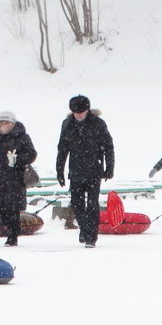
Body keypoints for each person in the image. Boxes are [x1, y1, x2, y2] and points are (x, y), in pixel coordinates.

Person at [56, 95, 115, 249]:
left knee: (92, 204)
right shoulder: (67, 124)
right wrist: (59, 170)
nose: (79, 114)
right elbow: (62, 149)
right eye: (76, 112)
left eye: (82, 111)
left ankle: (91, 236)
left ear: (88, 110)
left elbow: (108, 146)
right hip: (75, 170)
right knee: (77, 203)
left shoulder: (98, 123)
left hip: (94, 170)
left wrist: (110, 167)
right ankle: (84, 228)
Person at [0, 110, 38, 247]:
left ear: (13, 123)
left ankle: (13, 235)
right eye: (1, 123)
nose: (4, 125)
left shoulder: (23, 136)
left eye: (6, 123)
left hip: (15, 177)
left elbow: (32, 154)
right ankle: (12, 228)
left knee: (12, 207)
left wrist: (17, 159)